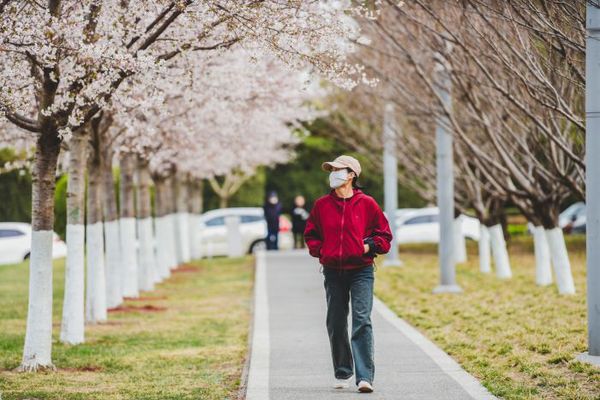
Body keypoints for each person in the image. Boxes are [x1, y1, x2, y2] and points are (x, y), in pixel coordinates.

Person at [304, 155, 392, 394]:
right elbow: (311, 235)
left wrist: (366, 247)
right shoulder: (322, 205)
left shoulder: (367, 204)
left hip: (361, 271)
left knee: (361, 320)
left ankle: (364, 378)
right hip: (333, 272)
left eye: (338, 169)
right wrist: (322, 251)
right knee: (336, 321)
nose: (333, 173)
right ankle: (343, 371)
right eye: (331, 170)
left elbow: (384, 237)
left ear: (352, 175)